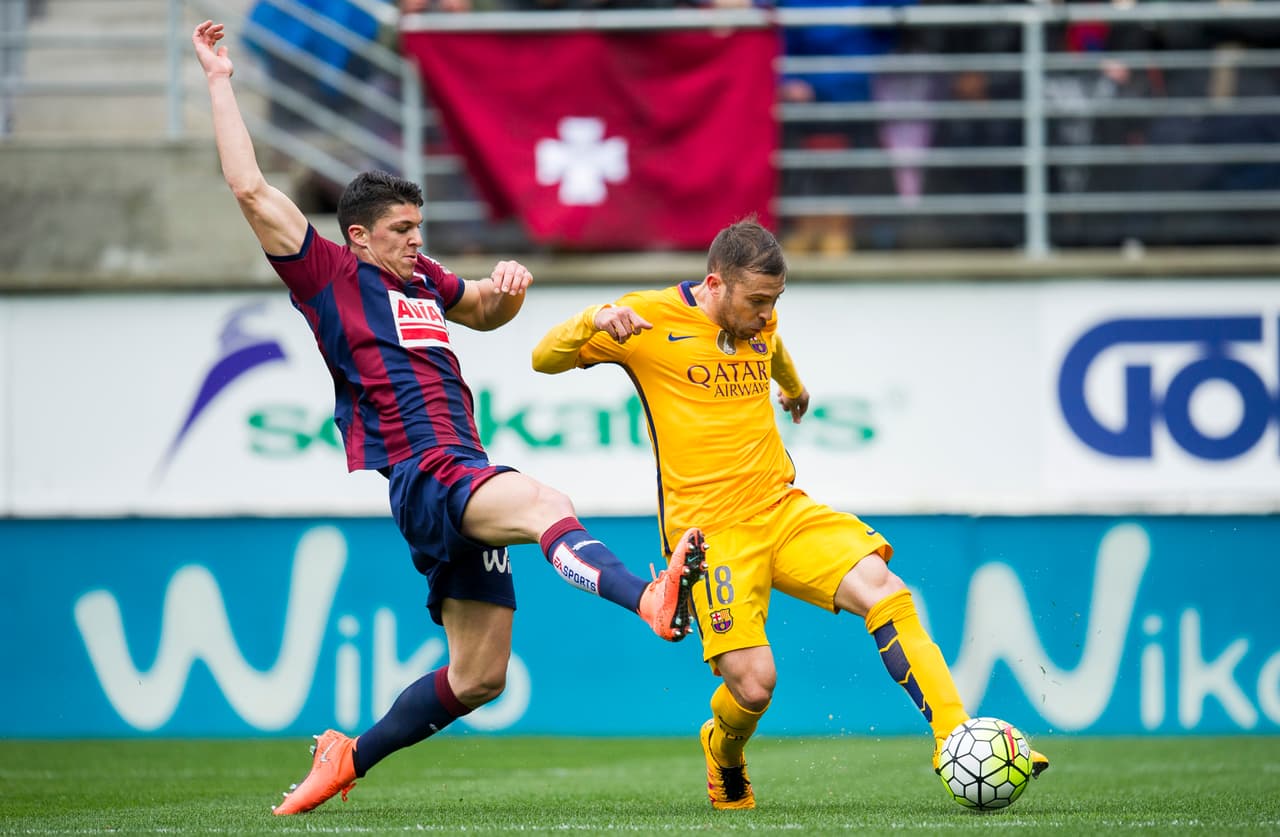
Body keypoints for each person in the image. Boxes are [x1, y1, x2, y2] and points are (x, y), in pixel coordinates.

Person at [192, 20, 707, 816]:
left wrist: (507, 295)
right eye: (400, 231)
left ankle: (347, 755)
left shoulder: (424, 278)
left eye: (418, 227)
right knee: (547, 504)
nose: (415, 241)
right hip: (430, 472)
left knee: (479, 677)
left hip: (457, 469)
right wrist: (220, 79)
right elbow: (251, 189)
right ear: (357, 236)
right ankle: (647, 596)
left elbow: (485, 312)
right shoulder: (328, 275)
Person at [531, 218, 1049, 809]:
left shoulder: (760, 320)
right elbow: (542, 357)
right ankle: (722, 749)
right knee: (753, 686)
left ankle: (953, 737)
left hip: (782, 508)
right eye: (755, 301)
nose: (765, 314)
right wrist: (591, 319)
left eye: (774, 301)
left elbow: (772, 346)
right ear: (714, 284)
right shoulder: (647, 321)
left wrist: (795, 389)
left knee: (884, 589)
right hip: (711, 536)